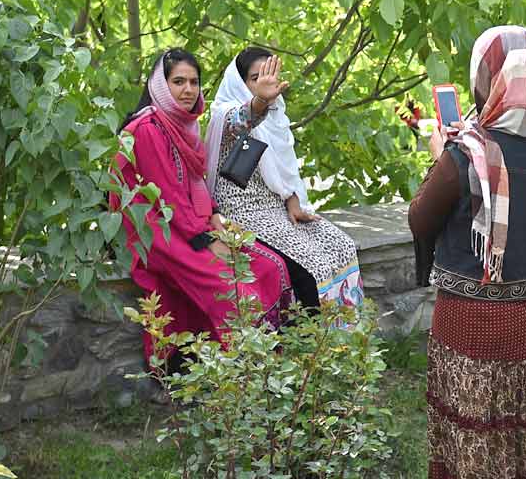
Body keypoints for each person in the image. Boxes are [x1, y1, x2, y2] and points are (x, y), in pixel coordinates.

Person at [409, 26, 526, 478]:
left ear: (483, 80)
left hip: (472, 326)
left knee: (475, 424)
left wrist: (439, 156)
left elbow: (420, 221)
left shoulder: (463, 156)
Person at [111, 49, 291, 364]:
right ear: (159, 85)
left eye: (194, 82)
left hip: (191, 224)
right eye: (178, 81)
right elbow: (168, 197)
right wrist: (207, 241)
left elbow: (195, 184)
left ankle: (271, 368)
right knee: (235, 294)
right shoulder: (148, 129)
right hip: (160, 234)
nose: (188, 89)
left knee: (269, 268)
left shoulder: (183, 125)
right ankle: (239, 379)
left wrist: (215, 217)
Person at [204, 47, 363, 312]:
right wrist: (260, 101)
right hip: (241, 214)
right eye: (255, 78)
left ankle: (349, 340)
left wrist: (292, 199)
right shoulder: (225, 115)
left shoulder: (277, 118)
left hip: (277, 210)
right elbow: (244, 120)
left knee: (342, 246)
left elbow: (283, 171)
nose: (266, 83)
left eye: (270, 77)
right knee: (314, 265)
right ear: (239, 82)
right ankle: (320, 346)